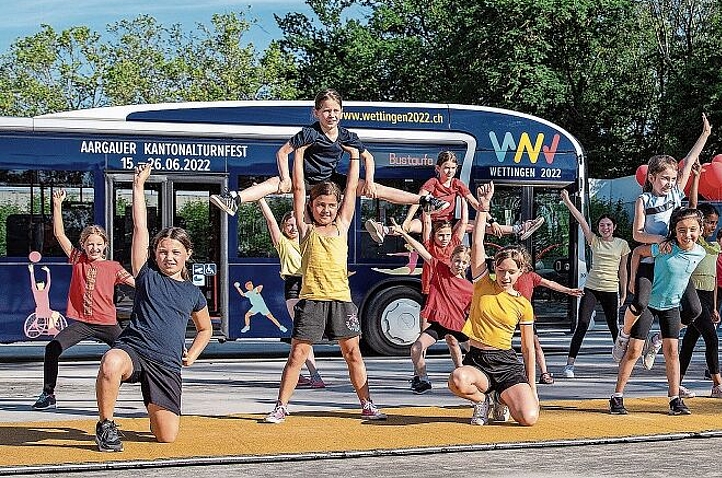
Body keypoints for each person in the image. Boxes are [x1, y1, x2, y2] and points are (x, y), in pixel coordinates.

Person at [263, 141, 387, 423]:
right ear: (312, 206)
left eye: (331, 205)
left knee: (353, 353)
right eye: (321, 205)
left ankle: (367, 403)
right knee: (298, 355)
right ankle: (281, 406)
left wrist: (354, 155)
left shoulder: (342, 225)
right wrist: (300, 154)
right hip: (312, 300)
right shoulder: (306, 228)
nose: (327, 210)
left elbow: (353, 190)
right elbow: (297, 189)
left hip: (341, 301)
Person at [94, 164, 212, 452]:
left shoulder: (193, 293)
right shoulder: (147, 274)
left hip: (166, 365)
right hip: (134, 351)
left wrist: (193, 354)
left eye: (175, 252)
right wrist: (138, 186)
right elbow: (140, 227)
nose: (168, 257)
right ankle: (106, 424)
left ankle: (154, 404)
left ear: (187, 255)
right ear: (155, 254)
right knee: (110, 362)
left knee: (166, 436)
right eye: (162, 251)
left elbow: (206, 329)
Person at [210, 89, 448, 216]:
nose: (331, 115)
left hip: (331, 179)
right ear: (316, 113)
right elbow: (282, 153)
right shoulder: (309, 133)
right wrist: (285, 178)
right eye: (325, 111)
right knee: (273, 182)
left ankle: (423, 201)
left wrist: (372, 182)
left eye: (335, 111)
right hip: (306, 178)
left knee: (372, 189)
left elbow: (369, 157)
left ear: (342, 112)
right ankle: (235, 199)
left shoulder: (347, 136)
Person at [613, 115, 710, 368]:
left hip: (674, 261)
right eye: (664, 178)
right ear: (653, 178)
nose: (669, 182)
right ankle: (623, 336)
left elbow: (689, 161)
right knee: (641, 302)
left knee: (693, 311)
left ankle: (656, 339)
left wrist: (705, 135)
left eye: (672, 178)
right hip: (652, 258)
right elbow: (637, 234)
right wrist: (661, 239)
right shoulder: (643, 201)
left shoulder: (677, 193)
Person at [32, 189, 136, 411]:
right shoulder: (77, 259)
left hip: (107, 323)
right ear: (83, 245)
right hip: (81, 323)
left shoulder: (113, 267)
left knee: (133, 354)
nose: (94, 248)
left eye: (99, 244)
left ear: (105, 246)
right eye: (90, 244)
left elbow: (137, 284)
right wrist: (57, 205)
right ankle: (48, 394)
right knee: (52, 349)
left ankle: (151, 395)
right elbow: (60, 235)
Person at [447, 182, 539, 426]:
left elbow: (528, 350)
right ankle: (482, 401)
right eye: (500, 270)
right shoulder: (482, 283)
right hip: (478, 360)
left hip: (506, 364)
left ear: (521, 272)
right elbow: (477, 244)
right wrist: (483, 208)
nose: (505, 276)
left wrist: (533, 387)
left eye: (511, 272)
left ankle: (500, 397)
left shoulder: (522, 305)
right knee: (457, 379)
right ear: (494, 269)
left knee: (528, 419)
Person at [611, 208, 706, 416]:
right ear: (673, 230)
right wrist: (634, 281)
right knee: (634, 351)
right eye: (681, 230)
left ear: (701, 230)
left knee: (672, 352)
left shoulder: (701, 253)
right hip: (650, 304)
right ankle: (617, 397)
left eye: (692, 230)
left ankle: (675, 399)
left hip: (671, 306)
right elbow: (637, 252)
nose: (687, 234)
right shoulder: (665, 248)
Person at [364, 150, 544, 243]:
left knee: (478, 226)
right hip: (429, 221)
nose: (449, 172)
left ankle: (519, 228)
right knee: (410, 226)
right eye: (446, 168)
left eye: (452, 168)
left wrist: (492, 220)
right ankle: (384, 230)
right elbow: (416, 201)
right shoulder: (432, 183)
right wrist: (407, 220)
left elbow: (475, 203)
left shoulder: (458, 184)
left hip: (448, 225)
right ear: (438, 169)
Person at [388, 218, 472, 395]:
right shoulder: (440, 268)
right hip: (439, 323)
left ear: (468, 265)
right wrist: (403, 233)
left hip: (459, 325)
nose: (459, 265)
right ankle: (423, 379)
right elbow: (422, 250)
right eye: (457, 261)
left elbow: (476, 311)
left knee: (477, 353)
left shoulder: (469, 288)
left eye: (464, 263)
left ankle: (473, 378)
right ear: (451, 259)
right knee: (416, 347)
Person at [560, 189, 630, 377]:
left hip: (610, 288)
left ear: (614, 227)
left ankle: (623, 364)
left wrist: (623, 293)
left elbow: (623, 270)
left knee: (613, 326)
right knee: (582, 324)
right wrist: (567, 201)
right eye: (601, 225)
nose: (605, 228)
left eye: (608, 225)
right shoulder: (594, 240)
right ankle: (569, 365)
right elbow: (582, 221)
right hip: (591, 288)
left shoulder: (622, 244)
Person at [257, 198, 324, 388]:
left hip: (310, 284)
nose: (293, 228)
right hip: (294, 285)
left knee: (302, 333)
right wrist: (262, 200)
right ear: (284, 228)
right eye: (288, 225)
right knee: (301, 332)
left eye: (295, 224)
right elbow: (270, 222)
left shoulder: (309, 239)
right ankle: (305, 373)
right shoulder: (283, 243)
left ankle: (312, 375)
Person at [676, 203, 722, 398]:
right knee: (711, 337)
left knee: (689, 343)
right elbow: (693, 206)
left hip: (709, 297)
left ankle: (676, 383)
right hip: (694, 294)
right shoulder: (697, 241)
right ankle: (717, 383)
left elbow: (716, 277)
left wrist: (715, 306)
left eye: (716, 223)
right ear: (701, 223)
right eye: (710, 222)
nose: (713, 226)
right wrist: (696, 177)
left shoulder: (714, 247)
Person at [513, 250, 584, 384]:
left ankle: (544, 373)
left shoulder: (530, 276)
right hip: (507, 313)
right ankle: (513, 373)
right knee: (504, 344)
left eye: (520, 262)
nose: (518, 265)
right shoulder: (507, 276)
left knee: (535, 345)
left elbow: (550, 283)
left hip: (526, 315)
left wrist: (568, 290)